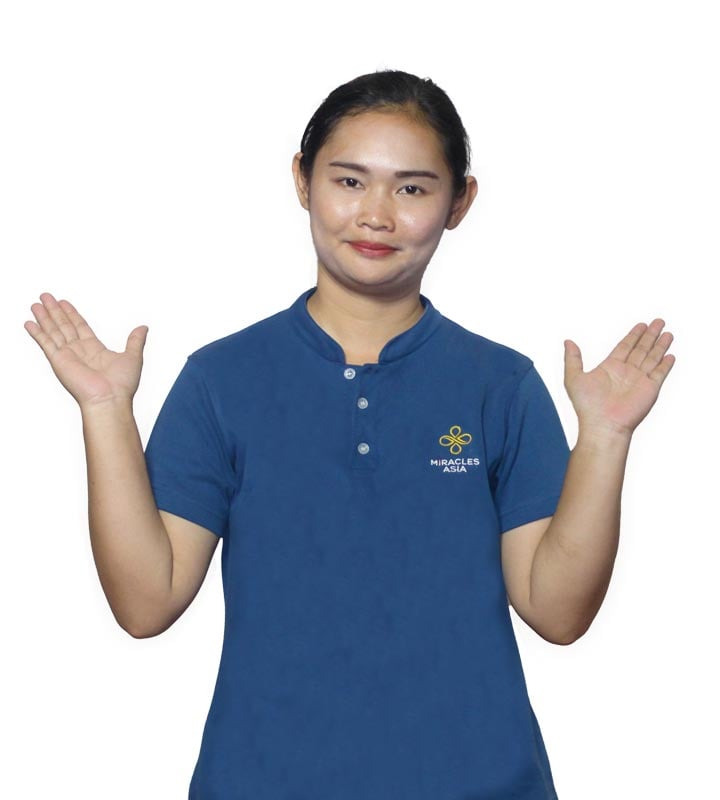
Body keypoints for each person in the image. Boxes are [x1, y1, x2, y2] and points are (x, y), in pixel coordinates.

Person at [25, 70, 674, 799]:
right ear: (302, 181)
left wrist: (606, 437)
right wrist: (105, 409)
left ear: (459, 203)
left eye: (412, 188)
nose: (376, 215)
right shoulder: (223, 379)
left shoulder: (501, 384)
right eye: (349, 181)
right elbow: (146, 604)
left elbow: (558, 614)